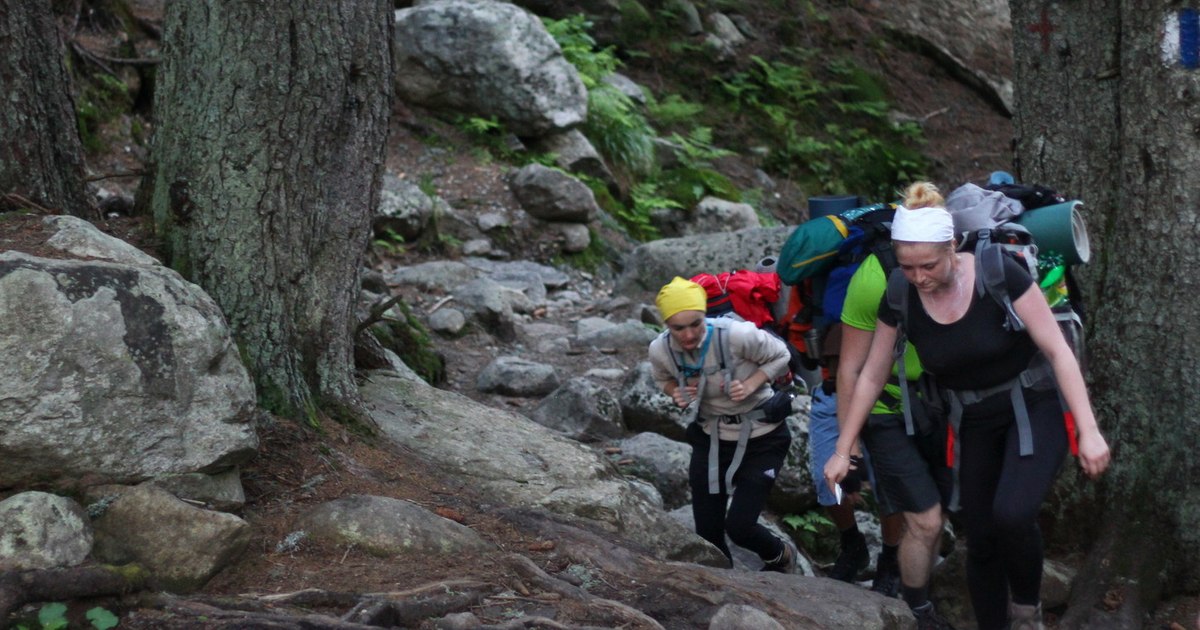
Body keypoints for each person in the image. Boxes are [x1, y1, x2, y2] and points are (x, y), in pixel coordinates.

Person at [825, 182, 1112, 630]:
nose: (919, 277)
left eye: (929, 265)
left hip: (1033, 404)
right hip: (971, 419)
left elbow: (1058, 351)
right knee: (979, 538)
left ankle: (1027, 612)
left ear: (952, 247)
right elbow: (871, 375)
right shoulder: (900, 293)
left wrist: (1089, 430)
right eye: (907, 266)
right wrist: (844, 449)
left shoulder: (999, 272)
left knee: (1012, 513)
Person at [648, 276, 796, 572]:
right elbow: (661, 378)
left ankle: (781, 556)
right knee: (708, 534)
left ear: (705, 315)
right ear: (666, 325)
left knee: (740, 526)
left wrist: (752, 383)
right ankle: (722, 587)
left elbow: (782, 355)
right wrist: (675, 392)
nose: (689, 334)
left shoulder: (737, 335)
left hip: (763, 438)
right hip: (712, 438)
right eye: (678, 328)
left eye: (696, 324)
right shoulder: (661, 349)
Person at [838, 249, 953, 623]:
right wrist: (849, 449)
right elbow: (851, 368)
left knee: (941, 514)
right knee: (925, 520)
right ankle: (917, 612)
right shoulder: (873, 278)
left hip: (945, 405)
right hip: (885, 409)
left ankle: (917, 593)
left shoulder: (962, 263)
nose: (919, 275)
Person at [805, 335, 906, 594]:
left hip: (886, 397)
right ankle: (853, 545)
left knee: (888, 484)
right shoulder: (830, 306)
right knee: (826, 479)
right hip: (832, 393)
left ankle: (890, 559)